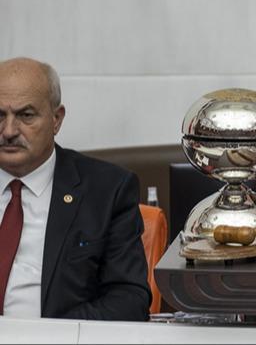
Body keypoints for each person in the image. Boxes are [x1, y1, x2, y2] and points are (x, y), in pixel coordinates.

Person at [0, 57, 149, 321]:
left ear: (56, 119)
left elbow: (129, 299)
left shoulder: (107, 191)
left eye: (26, 115)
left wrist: (49, 334)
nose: (9, 130)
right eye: (0, 115)